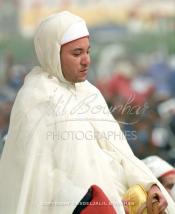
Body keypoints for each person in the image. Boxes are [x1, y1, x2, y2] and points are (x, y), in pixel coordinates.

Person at [0, 11, 174, 214]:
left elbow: (120, 153)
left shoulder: (89, 93)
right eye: (76, 53)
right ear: (53, 53)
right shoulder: (37, 98)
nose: (86, 60)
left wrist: (148, 185)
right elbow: (38, 181)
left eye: (87, 52)